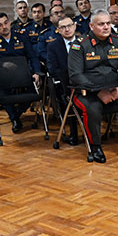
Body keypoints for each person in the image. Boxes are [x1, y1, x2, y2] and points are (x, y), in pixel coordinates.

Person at [67, 9, 118, 163]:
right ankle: (95, 146)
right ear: (91, 26)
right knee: (93, 108)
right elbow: (76, 75)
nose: (106, 27)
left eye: (108, 23)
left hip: (114, 89)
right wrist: (99, 92)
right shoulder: (80, 45)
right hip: (87, 92)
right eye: (101, 24)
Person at [0, 11, 40, 133]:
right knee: (2, 93)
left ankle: (16, 114)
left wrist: (36, 72)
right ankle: (15, 119)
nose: (4, 27)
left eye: (6, 23)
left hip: (23, 75)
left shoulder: (21, 36)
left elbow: (32, 57)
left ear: (10, 23)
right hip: (3, 77)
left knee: (34, 92)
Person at [46, 14, 82, 146]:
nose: (67, 29)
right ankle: (73, 134)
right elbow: (52, 68)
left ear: (75, 26)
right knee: (65, 96)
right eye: (63, 27)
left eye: (69, 26)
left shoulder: (84, 42)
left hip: (85, 82)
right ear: (58, 30)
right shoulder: (53, 46)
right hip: (66, 84)